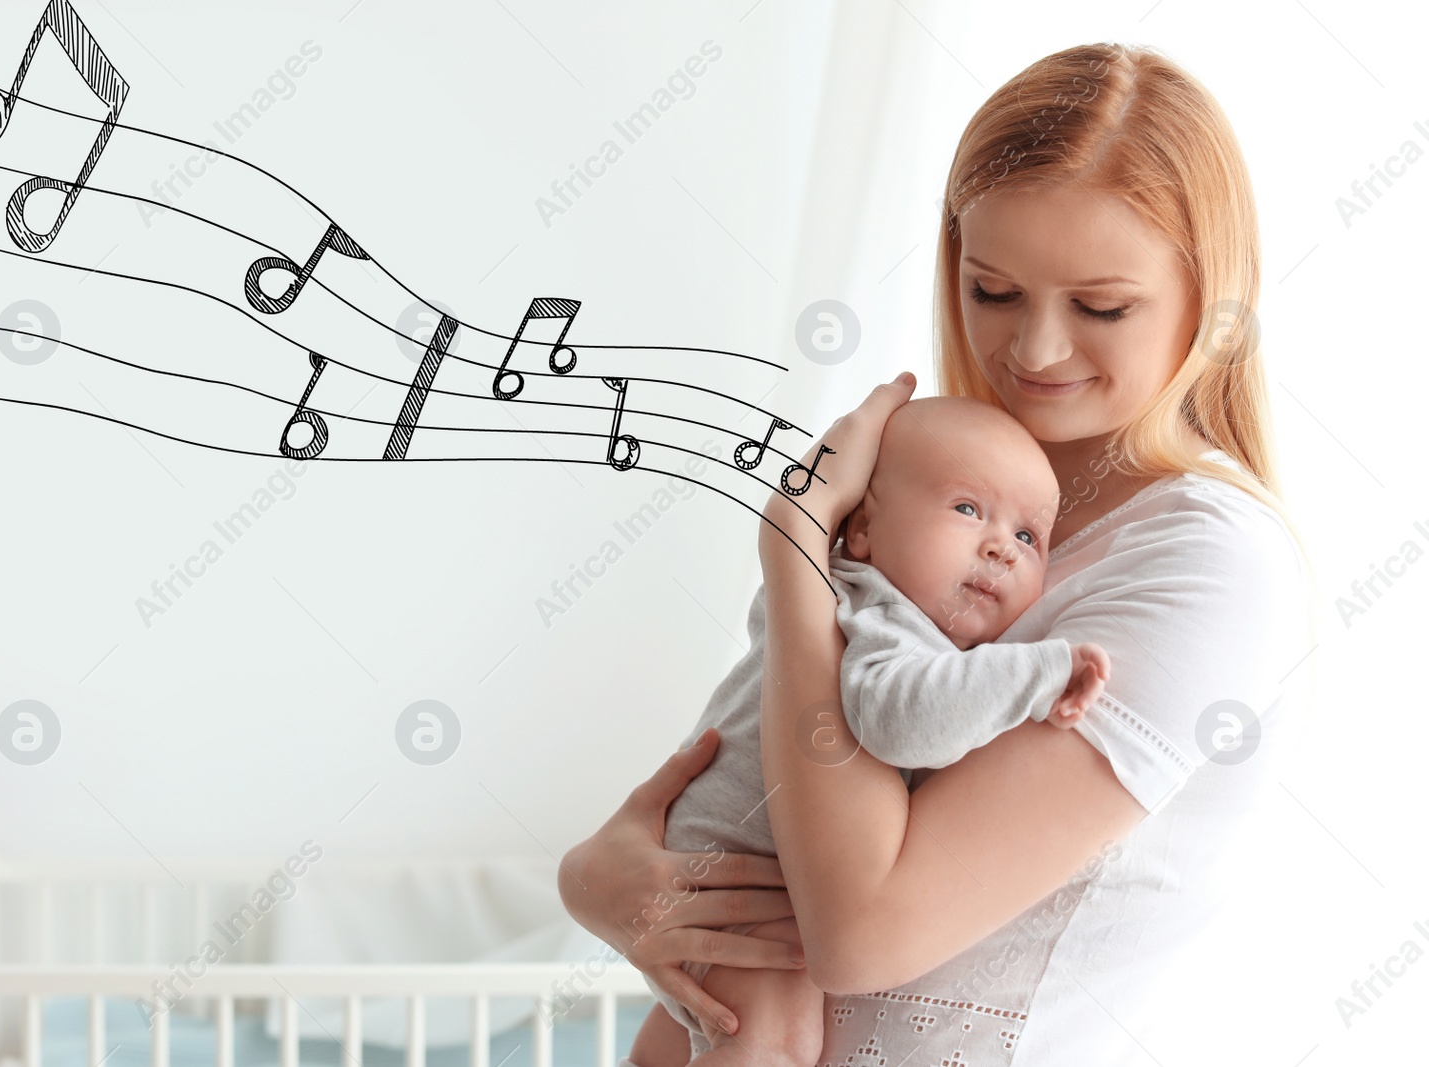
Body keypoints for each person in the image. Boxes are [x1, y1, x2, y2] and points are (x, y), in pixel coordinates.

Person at [559, 41, 1314, 1066]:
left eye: (1100, 306)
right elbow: (759, 779)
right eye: (992, 289)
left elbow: (862, 933)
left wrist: (793, 563)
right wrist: (602, 876)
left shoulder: (1209, 563)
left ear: (1209, 301)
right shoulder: (943, 493)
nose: (1035, 350)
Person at [635, 397, 1112, 1067]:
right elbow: (899, 722)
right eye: (968, 509)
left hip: (717, 861)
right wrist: (1035, 674)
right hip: (736, 870)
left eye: (1029, 537)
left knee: (692, 1035)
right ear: (862, 529)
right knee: (772, 1045)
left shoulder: (843, 600)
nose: (1001, 545)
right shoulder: (881, 613)